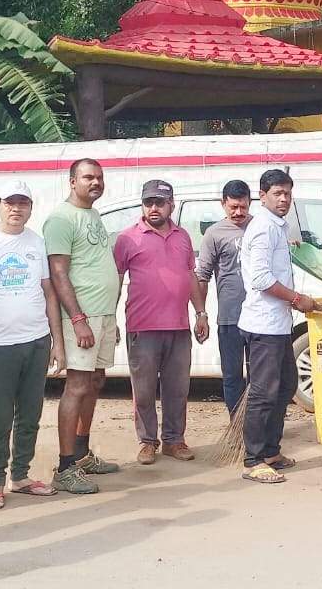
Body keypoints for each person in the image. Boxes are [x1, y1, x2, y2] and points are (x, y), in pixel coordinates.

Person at [0, 180, 64, 510]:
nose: (16, 209)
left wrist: (56, 341)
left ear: (31, 207)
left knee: (30, 414)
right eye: (10, 202)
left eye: (23, 203)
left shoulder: (36, 243)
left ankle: (20, 476)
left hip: (35, 342)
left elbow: (49, 294)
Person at [44, 158, 123, 494]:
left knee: (95, 381)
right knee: (76, 386)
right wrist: (77, 320)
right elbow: (59, 273)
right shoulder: (60, 219)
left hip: (102, 315)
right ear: (72, 181)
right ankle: (64, 468)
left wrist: (110, 318)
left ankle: (81, 453)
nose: (95, 182)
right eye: (88, 177)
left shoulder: (91, 214)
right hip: (82, 317)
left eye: (100, 177)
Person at [115, 179, 208, 465]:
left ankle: (174, 440)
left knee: (177, 388)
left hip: (179, 326)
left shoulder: (183, 237)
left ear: (171, 205)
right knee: (142, 389)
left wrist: (201, 313)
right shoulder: (128, 238)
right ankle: (147, 441)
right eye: (148, 202)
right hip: (142, 327)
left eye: (160, 202)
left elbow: (190, 275)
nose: (153, 208)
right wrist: (111, 318)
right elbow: (116, 280)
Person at [238, 169, 315, 483]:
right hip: (263, 325)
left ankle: (271, 451)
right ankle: (253, 460)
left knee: (285, 387)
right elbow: (260, 279)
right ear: (262, 196)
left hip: (279, 324)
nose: (283, 199)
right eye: (277, 194)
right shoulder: (263, 228)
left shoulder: (278, 228)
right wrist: (297, 298)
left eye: (287, 193)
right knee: (263, 393)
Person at [195, 180, 253, 416]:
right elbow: (202, 276)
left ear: (250, 202)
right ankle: (236, 425)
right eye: (233, 207)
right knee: (232, 375)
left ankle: (257, 425)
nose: (238, 212)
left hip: (259, 317)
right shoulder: (214, 233)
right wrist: (201, 315)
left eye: (243, 207)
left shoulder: (260, 226)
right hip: (230, 318)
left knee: (259, 375)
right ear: (223, 204)